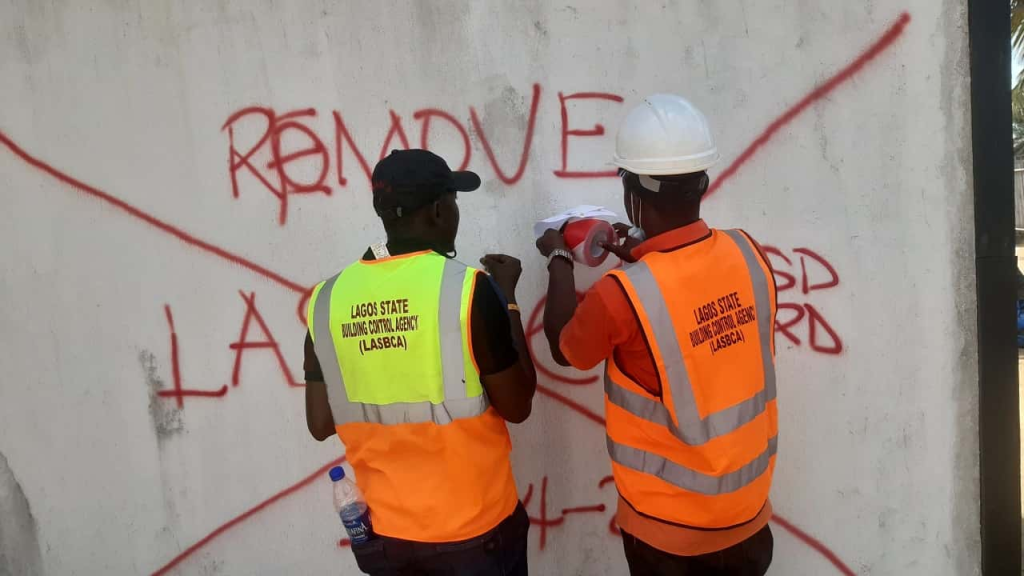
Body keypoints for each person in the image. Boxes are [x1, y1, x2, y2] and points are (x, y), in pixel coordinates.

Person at [536, 94, 779, 576]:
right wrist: (644, 256)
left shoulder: (621, 296)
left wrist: (558, 257)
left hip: (672, 541)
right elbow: (693, 305)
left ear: (633, 194)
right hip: (750, 522)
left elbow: (566, 349)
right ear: (704, 181)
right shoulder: (748, 253)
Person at [304, 149, 537, 575]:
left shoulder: (327, 301)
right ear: (438, 209)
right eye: (453, 202)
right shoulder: (467, 290)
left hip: (387, 540)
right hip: (475, 537)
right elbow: (519, 404)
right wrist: (510, 301)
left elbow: (320, 423)